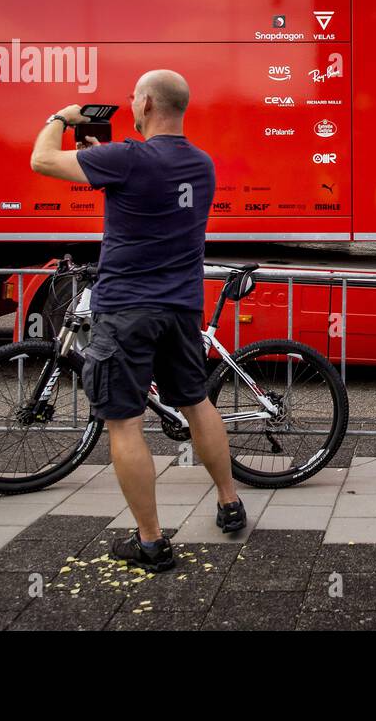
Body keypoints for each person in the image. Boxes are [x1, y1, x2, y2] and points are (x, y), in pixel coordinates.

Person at [30, 69, 244, 572]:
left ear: (145, 104)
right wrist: (100, 157)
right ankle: (229, 502)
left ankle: (151, 542)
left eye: (133, 98)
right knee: (196, 402)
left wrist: (59, 117)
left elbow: (41, 160)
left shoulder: (124, 159)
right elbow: (156, 194)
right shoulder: (202, 163)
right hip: (181, 307)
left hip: (126, 308)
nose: (129, 103)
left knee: (124, 422)